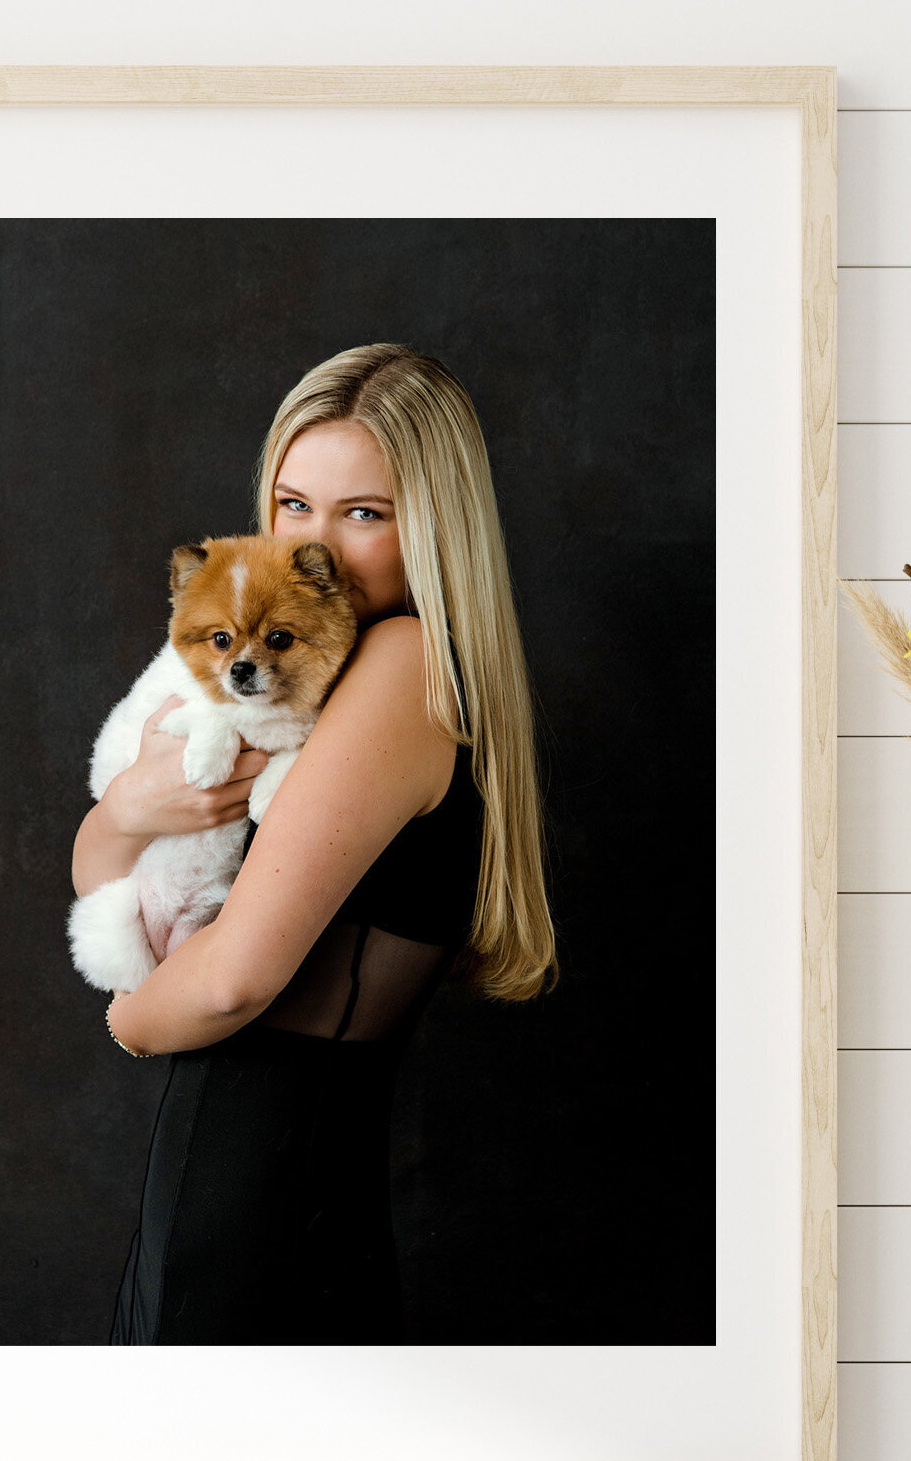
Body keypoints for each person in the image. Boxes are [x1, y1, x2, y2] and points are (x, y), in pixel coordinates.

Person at [70, 343, 556, 1344]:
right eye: (294, 505)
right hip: (254, 1194)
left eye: (364, 514)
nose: (318, 546)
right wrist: (123, 812)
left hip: (259, 1204)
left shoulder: (400, 658)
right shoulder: (301, 664)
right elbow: (105, 881)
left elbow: (223, 984)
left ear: (436, 527)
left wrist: (128, 1019)